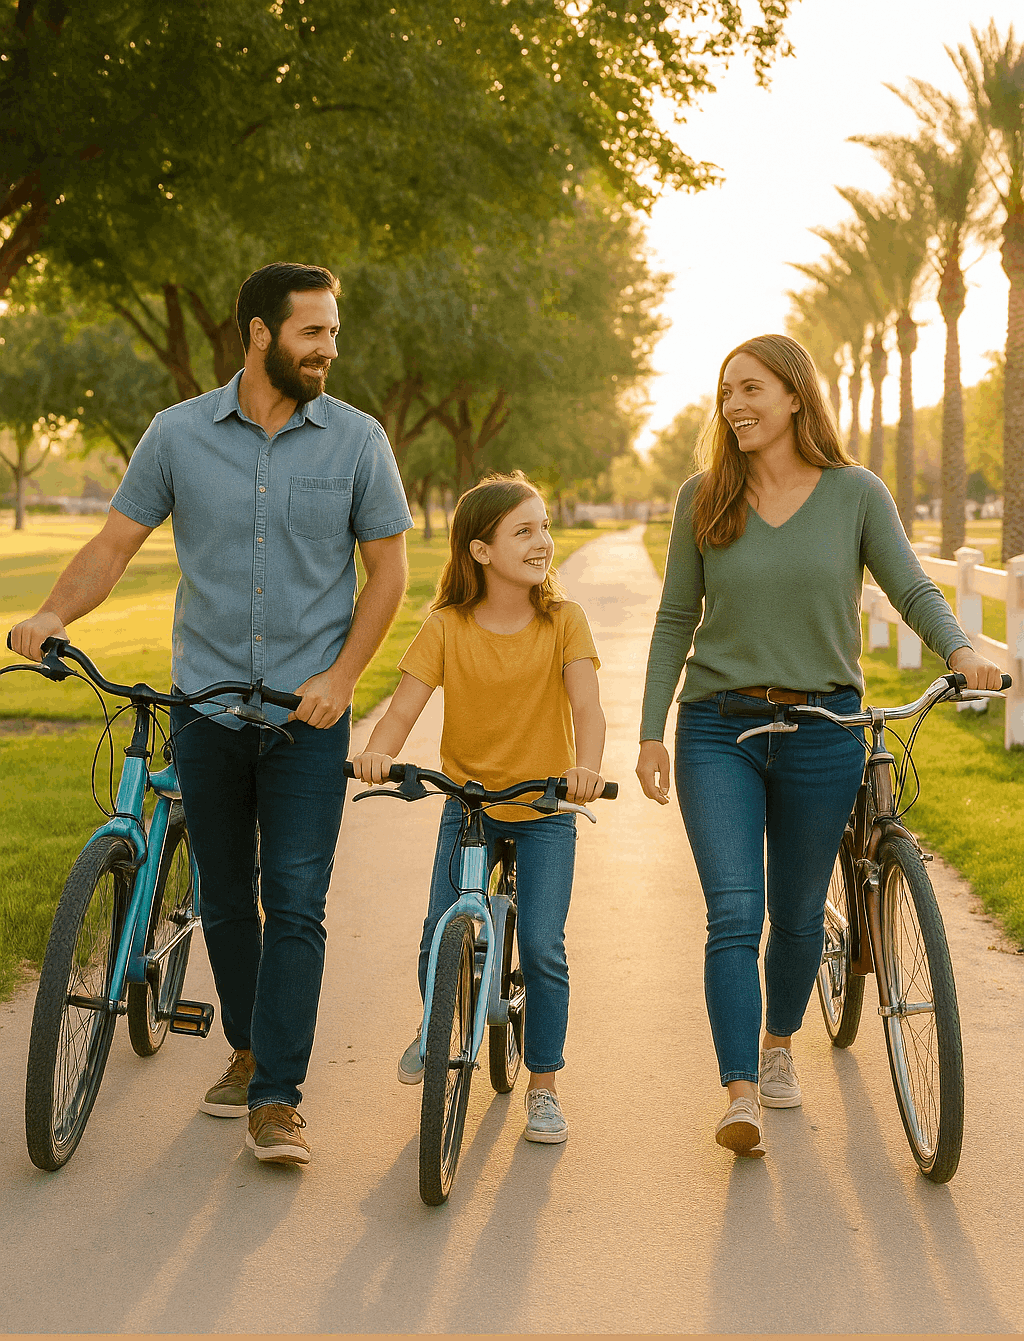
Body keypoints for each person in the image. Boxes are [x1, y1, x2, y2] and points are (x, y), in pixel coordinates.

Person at [10, 261, 414, 1166]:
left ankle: (277, 1096)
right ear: (261, 334)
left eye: (334, 332)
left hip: (309, 715)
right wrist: (51, 614)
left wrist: (347, 676)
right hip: (206, 707)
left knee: (296, 902)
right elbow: (115, 544)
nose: (330, 349)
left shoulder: (357, 441)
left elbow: (390, 574)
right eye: (315, 332)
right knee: (228, 901)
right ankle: (248, 1046)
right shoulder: (177, 434)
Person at [634, 333, 1002, 1159]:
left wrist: (961, 650)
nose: (735, 405)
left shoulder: (855, 494)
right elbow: (671, 623)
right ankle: (738, 1095)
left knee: (797, 916)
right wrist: (651, 730)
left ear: (796, 395)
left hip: (826, 728)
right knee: (733, 912)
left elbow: (910, 585)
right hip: (717, 727)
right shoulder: (703, 497)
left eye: (753, 388)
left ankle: (777, 1046)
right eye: (726, 391)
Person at [350, 472, 605, 1144]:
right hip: (470, 806)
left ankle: (544, 1087)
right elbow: (401, 708)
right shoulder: (446, 626)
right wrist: (377, 752)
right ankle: (442, 1022)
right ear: (481, 550)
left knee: (545, 946)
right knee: (440, 931)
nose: (542, 540)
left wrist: (586, 768)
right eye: (525, 530)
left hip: (546, 806)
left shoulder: (563, 620)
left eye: (544, 525)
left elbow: (588, 707)